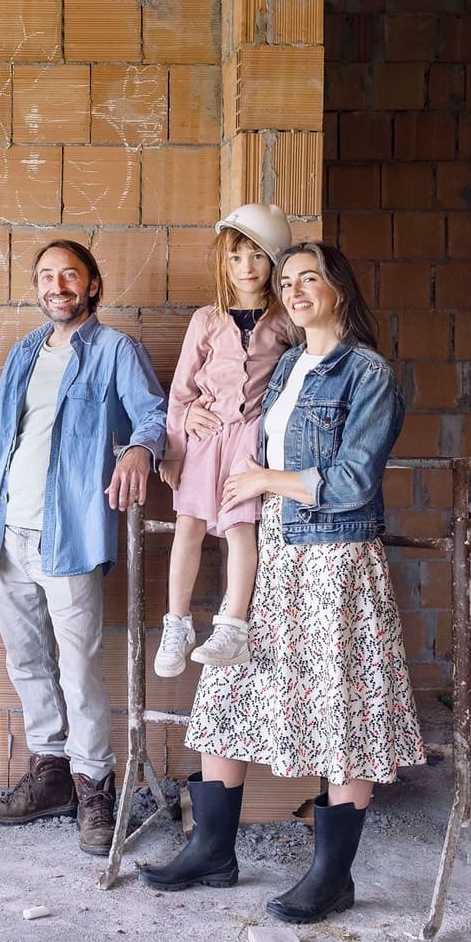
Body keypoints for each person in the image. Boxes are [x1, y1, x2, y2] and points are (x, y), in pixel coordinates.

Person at [139, 241, 423, 926]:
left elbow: (355, 481)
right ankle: (211, 848)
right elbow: (231, 420)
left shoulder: (368, 373)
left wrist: (268, 481)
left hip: (334, 563)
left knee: (342, 715)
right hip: (276, 553)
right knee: (229, 693)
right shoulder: (291, 362)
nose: (295, 291)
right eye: (288, 280)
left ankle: (332, 875)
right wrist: (191, 421)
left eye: (310, 280)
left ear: (339, 291)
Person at [0, 239, 168, 855]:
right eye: (47, 276)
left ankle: (95, 786)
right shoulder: (23, 354)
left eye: (70, 275)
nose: (59, 285)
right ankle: (50, 775)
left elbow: (153, 415)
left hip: (69, 533)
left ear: (93, 285)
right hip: (7, 530)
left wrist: (137, 447)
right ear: (37, 288)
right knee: (26, 662)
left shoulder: (115, 351)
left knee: (79, 666)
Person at [155, 204, 295, 678]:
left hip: (251, 440)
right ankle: (177, 624)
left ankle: (233, 626)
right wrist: (174, 447)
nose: (247, 268)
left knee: (240, 529)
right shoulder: (207, 318)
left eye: (257, 257)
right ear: (225, 263)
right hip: (205, 436)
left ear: (273, 263)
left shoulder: (284, 321)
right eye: (237, 257)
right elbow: (181, 389)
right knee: (188, 526)